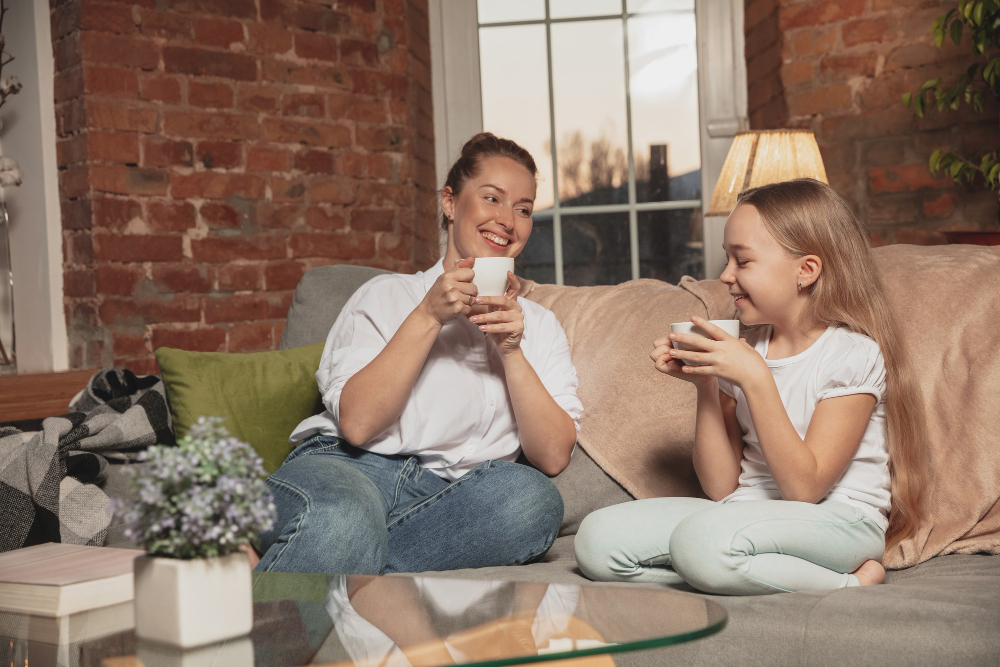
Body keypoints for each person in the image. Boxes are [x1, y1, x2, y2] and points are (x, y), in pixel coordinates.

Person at [573, 178, 927, 595]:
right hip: (744, 514)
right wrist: (706, 385)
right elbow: (721, 488)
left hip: (840, 521)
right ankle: (729, 568)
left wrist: (755, 377)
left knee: (702, 542)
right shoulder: (748, 347)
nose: (725, 276)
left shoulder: (850, 354)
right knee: (597, 540)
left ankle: (850, 582)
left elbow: (805, 489)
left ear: (806, 271)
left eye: (742, 261)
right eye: (727, 259)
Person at [252, 133, 583, 575]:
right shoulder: (387, 296)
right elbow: (357, 424)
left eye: (523, 209)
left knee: (532, 500)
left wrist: (511, 351)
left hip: (448, 504)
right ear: (450, 202)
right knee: (346, 518)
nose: (507, 220)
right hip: (348, 470)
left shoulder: (538, 327)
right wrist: (428, 315)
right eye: (491, 198)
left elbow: (553, 456)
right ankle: (349, 555)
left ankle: (339, 559)